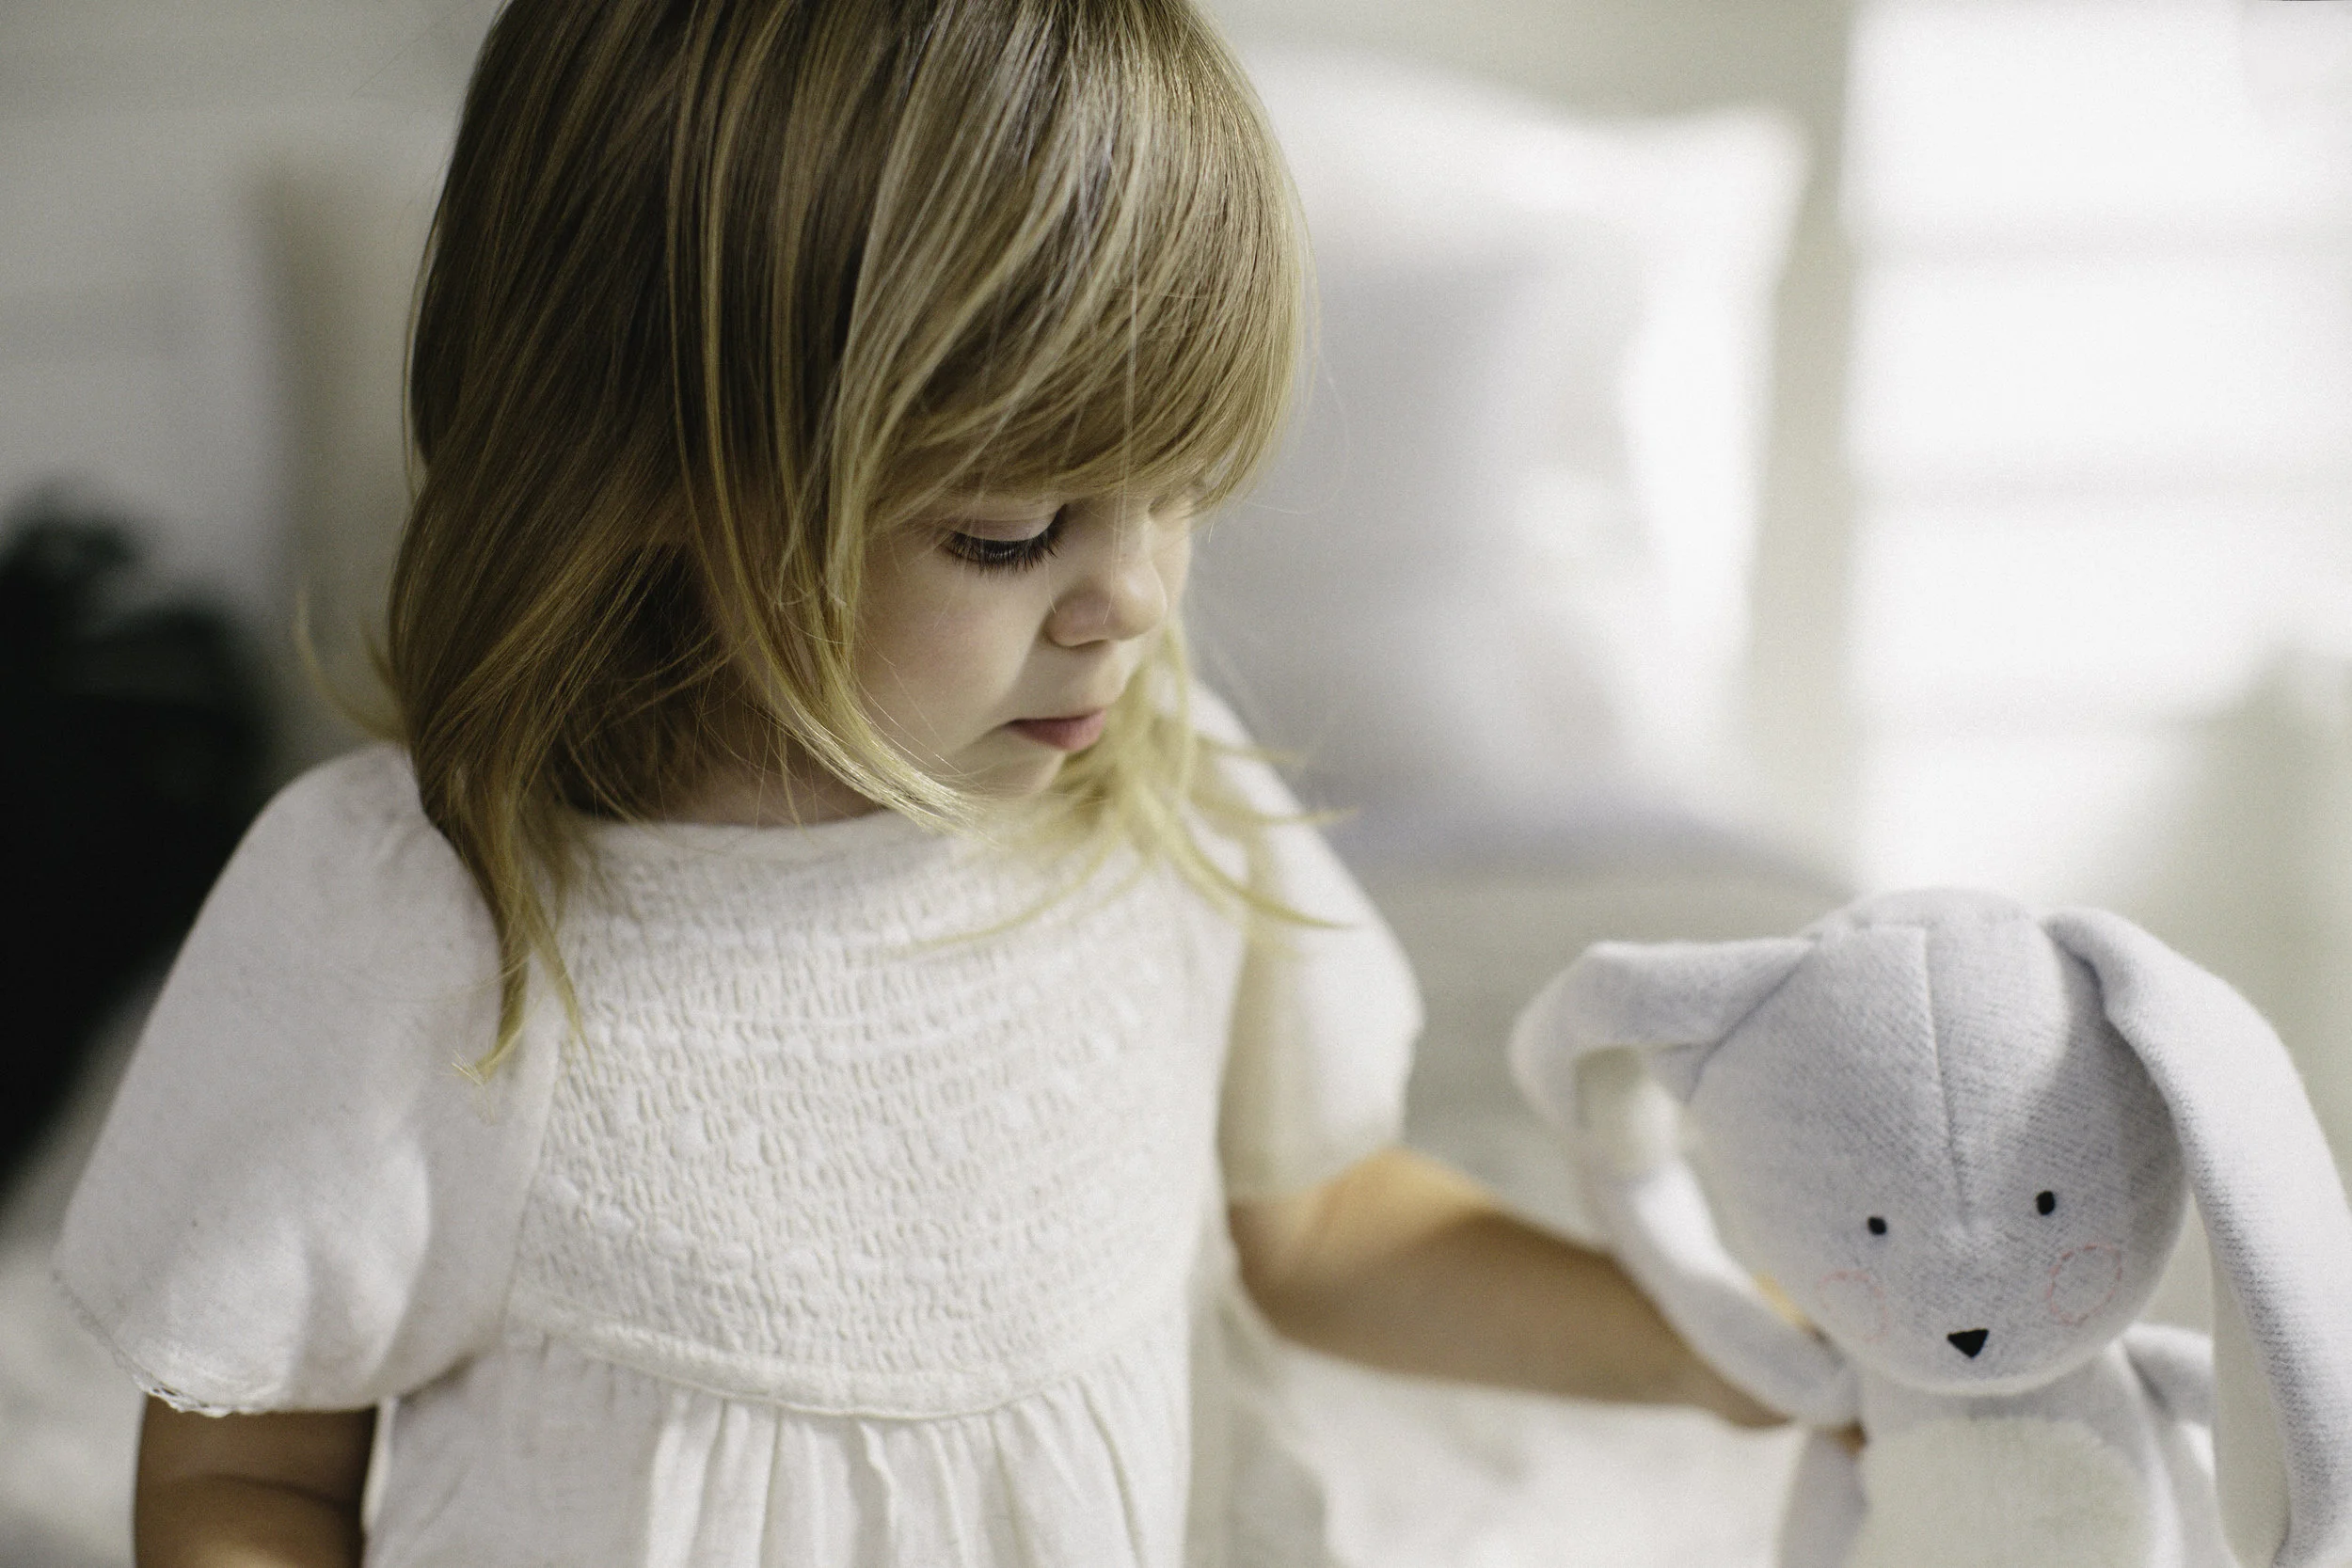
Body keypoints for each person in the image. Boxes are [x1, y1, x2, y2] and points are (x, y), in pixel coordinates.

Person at [54, 1, 1773, 1563]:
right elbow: (245, 1472)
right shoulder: (424, 926)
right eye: (1010, 532)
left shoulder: (1163, 806)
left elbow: (1319, 1223)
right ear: (651, 470)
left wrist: (1713, 1343)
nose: (1134, 599)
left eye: (1180, 494)